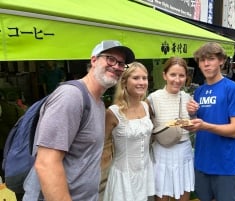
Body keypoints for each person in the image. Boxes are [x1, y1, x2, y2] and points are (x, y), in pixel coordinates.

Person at [23, 40, 135, 201]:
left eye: (121, 64)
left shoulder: (98, 102)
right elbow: (46, 164)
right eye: (110, 59)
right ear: (94, 60)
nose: (116, 66)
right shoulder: (71, 96)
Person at [185, 42, 235, 201]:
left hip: (225, 165)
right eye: (201, 60)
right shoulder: (199, 91)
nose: (206, 64)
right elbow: (196, 126)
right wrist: (191, 116)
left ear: (221, 61)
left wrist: (205, 126)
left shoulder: (233, 89)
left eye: (210, 59)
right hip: (202, 162)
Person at [103, 62, 155, 201]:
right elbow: (100, 145)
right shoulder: (113, 112)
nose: (142, 82)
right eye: (136, 78)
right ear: (124, 82)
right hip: (123, 177)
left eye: (144, 78)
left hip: (144, 172)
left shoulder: (146, 106)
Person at [147, 57, 194, 201]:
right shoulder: (153, 99)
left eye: (181, 75)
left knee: (183, 194)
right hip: (162, 152)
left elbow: (195, 128)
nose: (177, 79)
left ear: (186, 77)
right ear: (164, 75)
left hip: (184, 152)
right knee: (162, 196)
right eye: (173, 74)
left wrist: (193, 121)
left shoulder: (189, 99)